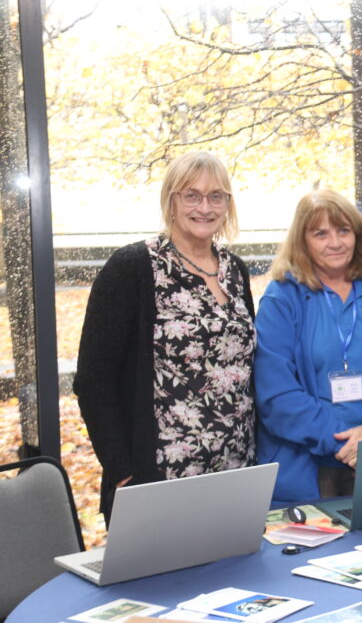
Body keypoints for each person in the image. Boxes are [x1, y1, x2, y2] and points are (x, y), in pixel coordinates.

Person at [75, 151, 256, 525]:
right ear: (170, 201)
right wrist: (124, 472)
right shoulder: (133, 268)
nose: (204, 207)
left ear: (227, 205)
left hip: (235, 472)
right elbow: (94, 381)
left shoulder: (235, 271)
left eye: (216, 196)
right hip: (157, 480)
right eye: (191, 195)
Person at [254, 189, 362, 502]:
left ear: (357, 235)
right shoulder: (282, 297)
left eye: (343, 230)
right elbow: (276, 394)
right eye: (320, 233)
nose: (335, 242)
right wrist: (344, 443)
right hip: (308, 469)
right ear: (302, 240)